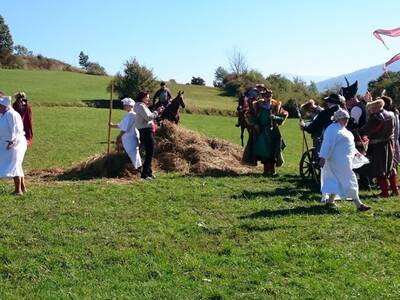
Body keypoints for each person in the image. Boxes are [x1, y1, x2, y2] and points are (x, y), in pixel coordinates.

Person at [319, 108, 371, 212]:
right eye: (344, 118)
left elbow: (349, 145)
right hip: (337, 160)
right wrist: (323, 157)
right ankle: (359, 204)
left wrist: (357, 153)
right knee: (350, 179)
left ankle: (330, 201)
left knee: (336, 180)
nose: (346, 121)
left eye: (347, 119)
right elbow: (326, 144)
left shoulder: (344, 130)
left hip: (344, 160)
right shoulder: (332, 129)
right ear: (337, 119)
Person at [242, 89, 288, 176]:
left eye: (270, 96)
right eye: (267, 96)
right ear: (263, 97)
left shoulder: (276, 106)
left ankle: (273, 170)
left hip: (273, 132)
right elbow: (249, 115)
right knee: (264, 151)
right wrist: (255, 124)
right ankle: (266, 170)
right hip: (261, 132)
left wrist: (275, 117)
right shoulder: (257, 106)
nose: (269, 98)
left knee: (273, 151)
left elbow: (283, 116)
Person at [359, 99, 396, 197]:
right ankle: (395, 190)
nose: (370, 110)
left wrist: (357, 131)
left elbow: (365, 130)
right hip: (389, 143)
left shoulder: (376, 118)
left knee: (379, 167)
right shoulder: (391, 115)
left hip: (378, 145)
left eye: (371, 108)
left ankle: (384, 192)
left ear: (375, 108)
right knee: (390, 166)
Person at [0, 96, 28, 195]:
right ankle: (23, 188)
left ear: (4, 106)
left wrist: (12, 142)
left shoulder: (12, 114)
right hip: (6, 142)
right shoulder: (3, 114)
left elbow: (15, 130)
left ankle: (18, 190)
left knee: (14, 164)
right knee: (16, 164)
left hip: (16, 143)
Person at [134, 91, 164, 180]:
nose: (148, 98)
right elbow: (148, 117)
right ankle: (144, 174)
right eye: (147, 97)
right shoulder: (141, 106)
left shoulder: (139, 106)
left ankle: (149, 172)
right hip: (146, 131)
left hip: (144, 130)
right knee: (150, 152)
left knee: (149, 152)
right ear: (142, 98)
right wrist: (157, 111)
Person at [109, 98, 142, 170]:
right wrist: (112, 125)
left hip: (129, 138)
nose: (124, 106)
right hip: (133, 136)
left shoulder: (130, 115)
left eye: (125, 105)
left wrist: (119, 136)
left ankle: (138, 169)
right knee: (135, 153)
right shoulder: (132, 114)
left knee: (133, 153)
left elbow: (125, 128)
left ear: (130, 106)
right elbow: (122, 125)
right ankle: (138, 168)